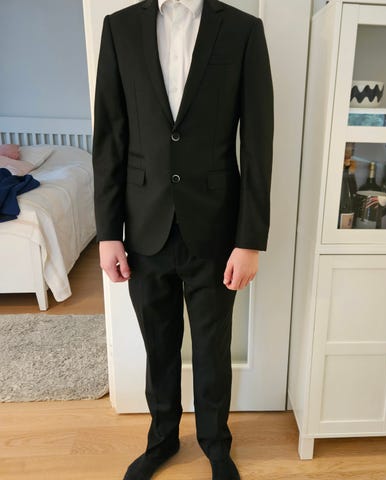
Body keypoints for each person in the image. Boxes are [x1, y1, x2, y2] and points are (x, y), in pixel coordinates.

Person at [92, 0, 273, 478]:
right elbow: (110, 136)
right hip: (143, 224)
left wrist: (250, 239)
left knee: (212, 346)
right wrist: (108, 233)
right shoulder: (120, 28)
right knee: (159, 344)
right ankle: (162, 440)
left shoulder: (243, 30)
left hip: (216, 228)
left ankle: (216, 443)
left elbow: (258, 141)